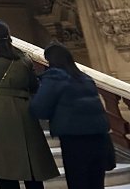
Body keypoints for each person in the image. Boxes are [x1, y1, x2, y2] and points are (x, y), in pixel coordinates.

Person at [0, 20, 58, 189]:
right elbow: (34, 85)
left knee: (5, 164)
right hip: (25, 110)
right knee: (32, 162)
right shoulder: (23, 58)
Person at [31, 43, 114, 189]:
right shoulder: (86, 79)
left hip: (74, 139)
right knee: (96, 183)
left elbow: (39, 108)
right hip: (99, 137)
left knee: (78, 181)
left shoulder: (55, 78)